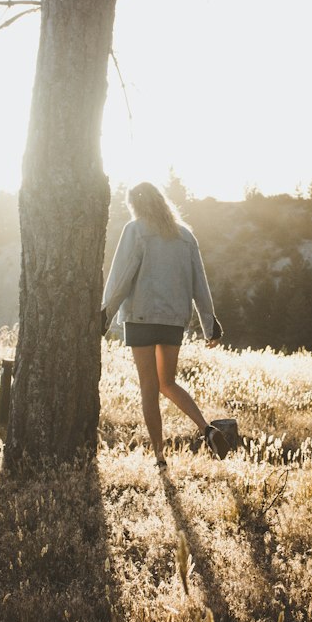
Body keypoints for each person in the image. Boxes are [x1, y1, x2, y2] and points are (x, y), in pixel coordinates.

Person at [101, 181, 227, 466]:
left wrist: (105, 315)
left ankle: (159, 456)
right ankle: (206, 428)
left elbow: (122, 277)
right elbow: (200, 283)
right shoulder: (185, 236)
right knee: (168, 383)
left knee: (149, 387)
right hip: (173, 322)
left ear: (136, 205)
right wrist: (210, 324)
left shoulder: (135, 230)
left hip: (142, 317)